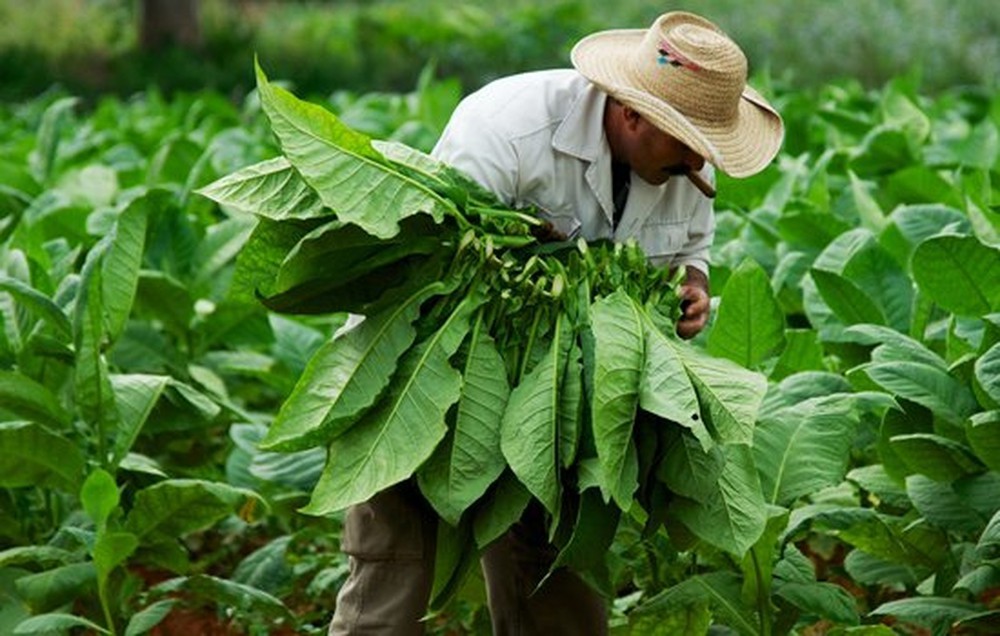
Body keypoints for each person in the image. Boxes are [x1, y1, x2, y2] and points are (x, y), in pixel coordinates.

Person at [329, 10, 783, 636]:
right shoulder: (507, 127)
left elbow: (689, 252)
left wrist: (693, 288)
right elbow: (435, 266)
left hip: (557, 403)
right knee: (393, 570)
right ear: (631, 115)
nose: (698, 163)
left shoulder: (683, 166)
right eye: (686, 141)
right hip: (425, 373)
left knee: (556, 585)